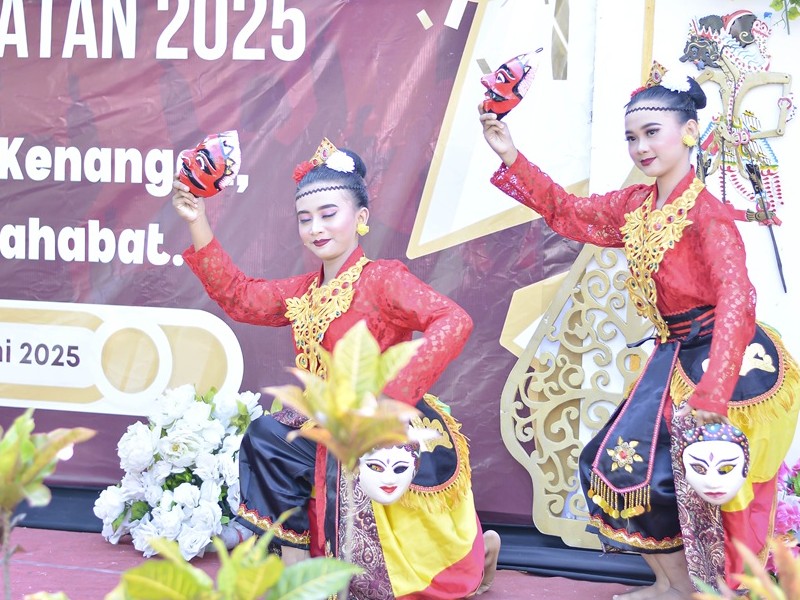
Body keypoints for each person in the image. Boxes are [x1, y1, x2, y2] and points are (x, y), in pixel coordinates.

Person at [480, 69, 799, 599]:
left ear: (689, 131)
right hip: (673, 355)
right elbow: (568, 212)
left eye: (653, 132)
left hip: (722, 359)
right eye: (632, 137)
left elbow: (738, 299)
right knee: (618, 467)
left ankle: (725, 588)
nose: (641, 146)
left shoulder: (708, 216)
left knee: (716, 484)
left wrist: (714, 389)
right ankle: (673, 584)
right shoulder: (635, 207)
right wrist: (510, 154)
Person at [172, 138, 500, 599]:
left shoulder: (382, 278)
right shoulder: (305, 290)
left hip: (378, 423)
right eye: (305, 218)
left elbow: (454, 320)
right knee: (269, 437)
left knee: (286, 444)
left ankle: (472, 553)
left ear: (361, 218)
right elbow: (240, 297)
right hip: (323, 424)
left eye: (329, 214)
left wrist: (389, 398)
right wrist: (197, 220)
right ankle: (296, 568)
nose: (316, 228)